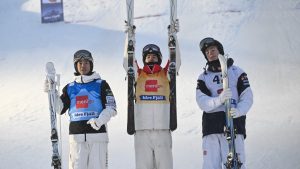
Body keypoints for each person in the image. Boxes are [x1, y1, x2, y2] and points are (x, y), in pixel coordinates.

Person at [44, 49, 117, 169]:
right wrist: (52, 92)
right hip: (76, 138)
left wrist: (100, 120)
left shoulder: (101, 84)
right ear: (76, 65)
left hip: (98, 137)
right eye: (80, 63)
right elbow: (59, 109)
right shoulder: (70, 87)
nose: (83, 66)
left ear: (91, 64)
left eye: (86, 62)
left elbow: (112, 108)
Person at [196, 37, 253, 169]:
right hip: (211, 128)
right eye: (207, 52)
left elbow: (247, 96)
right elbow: (202, 102)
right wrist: (219, 99)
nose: (210, 53)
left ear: (219, 50)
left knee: (235, 165)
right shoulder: (203, 77)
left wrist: (240, 111)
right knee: (210, 165)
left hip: (234, 125)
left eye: (212, 50)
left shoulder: (237, 72)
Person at [123, 43, 181, 169]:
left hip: (163, 130)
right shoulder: (138, 74)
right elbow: (127, 61)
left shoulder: (166, 73)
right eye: (148, 56)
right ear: (144, 59)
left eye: (154, 56)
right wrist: (129, 36)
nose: (151, 58)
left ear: (159, 58)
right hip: (142, 131)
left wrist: (172, 36)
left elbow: (175, 59)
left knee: (165, 166)